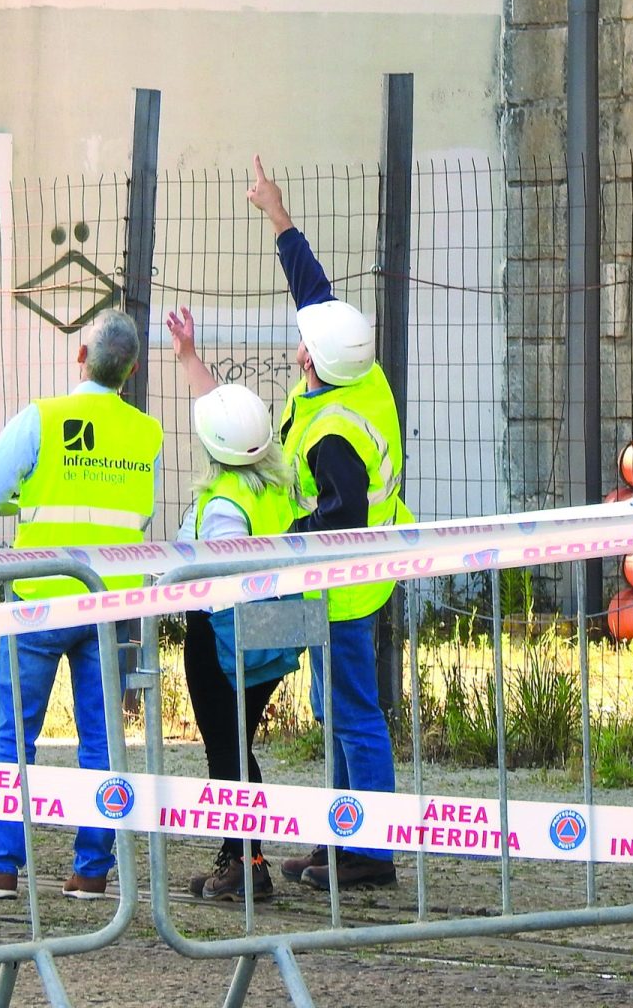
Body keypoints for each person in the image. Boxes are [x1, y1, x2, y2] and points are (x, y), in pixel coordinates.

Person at [0, 309, 164, 901]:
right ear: (132, 370)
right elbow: (138, 512)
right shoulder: (147, 434)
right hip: (110, 601)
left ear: (80, 357)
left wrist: (10, 498)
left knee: (12, 738)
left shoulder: (43, 418)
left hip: (39, 599)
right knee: (103, 740)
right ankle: (92, 871)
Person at [247, 156, 409, 891]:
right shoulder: (357, 372)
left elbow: (337, 512)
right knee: (336, 710)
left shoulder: (335, 431)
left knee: (352, 715)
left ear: (311, 361)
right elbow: (318, 294)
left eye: (304, 339)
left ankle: (368, 853)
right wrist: (279, 219)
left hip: (343, 587)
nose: (301, 336)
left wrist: (282, 541)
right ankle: (342, 837)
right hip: (342, 582)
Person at [165, 305, 302, 903]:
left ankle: (244, 865)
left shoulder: (222, 503)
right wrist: (190, 358)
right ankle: (243, 858)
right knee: (237, 743)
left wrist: (172, 579)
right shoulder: (277, 478)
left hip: (222, 636)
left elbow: (217, 574)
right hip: (278, 627)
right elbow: (228, 418)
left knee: (225, 748)